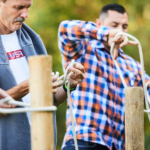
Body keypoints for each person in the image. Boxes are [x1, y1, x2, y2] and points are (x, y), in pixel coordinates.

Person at [58, 4, 149, 150]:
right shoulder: (83, 50)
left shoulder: (134, 66)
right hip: (84, 142)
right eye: (114, 25)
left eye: (124, 26)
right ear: (99, 24)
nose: (120, 31)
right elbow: (64, 29)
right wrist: (106, 34)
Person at [0, 0, 85, 150]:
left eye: (28, 7)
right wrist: (29, 85)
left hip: (42, 143)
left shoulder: (32, 39)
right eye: (18, 7)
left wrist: (67, 85)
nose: (25, 14)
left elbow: (51, 102)